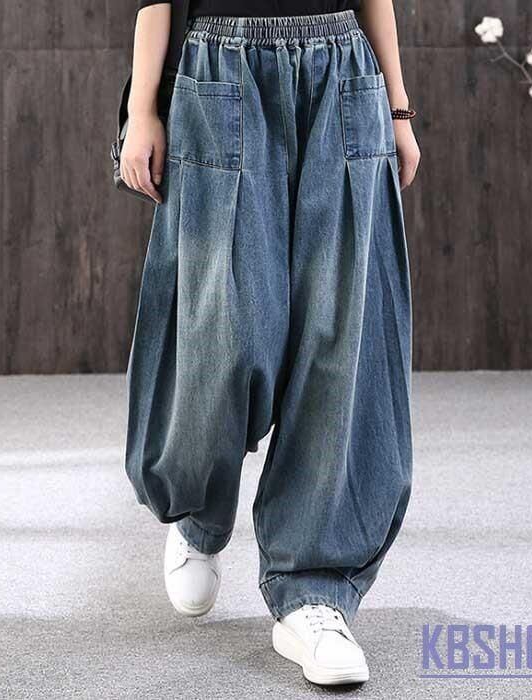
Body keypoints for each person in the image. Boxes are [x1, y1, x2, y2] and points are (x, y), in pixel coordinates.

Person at [121, 0, 419, 686]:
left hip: (342, 71)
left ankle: (312, 592)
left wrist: (398, 110)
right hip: (220, 70)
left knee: (338, 341)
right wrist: (141, 109)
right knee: (223, 335)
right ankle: (198, 510)